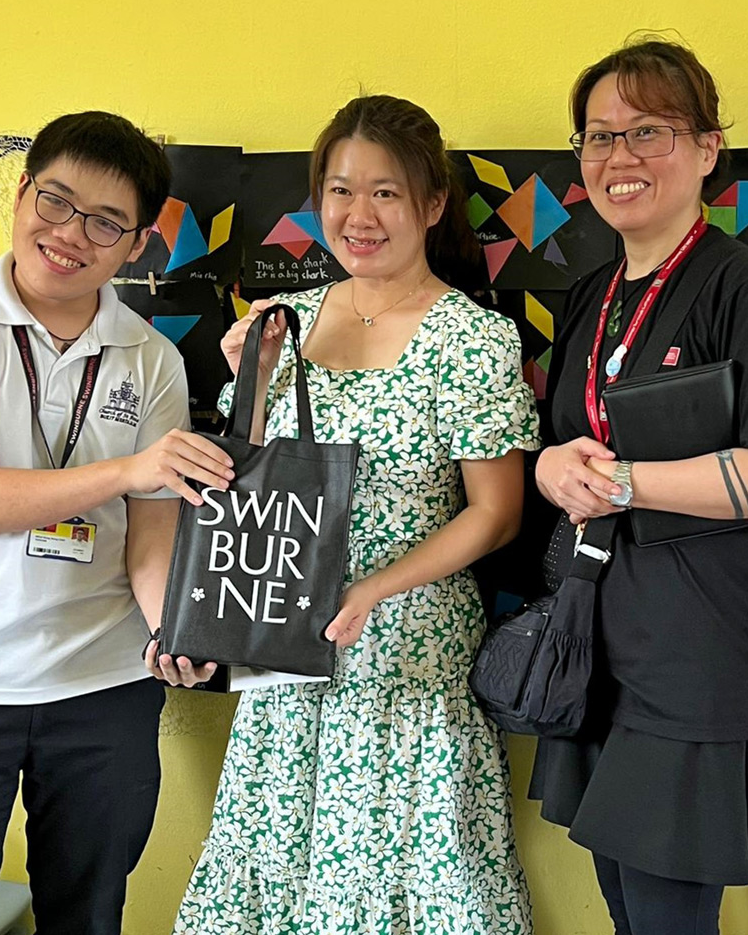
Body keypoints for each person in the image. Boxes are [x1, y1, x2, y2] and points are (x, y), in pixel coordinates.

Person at [168, 95, 539, 934]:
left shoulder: (470, 339)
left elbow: (497, 514)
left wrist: (374, 587)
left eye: (385, 193)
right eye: (339, 191)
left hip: (409, 657)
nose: (357, 215)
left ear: (432, 205)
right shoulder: (283, 324)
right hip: (287, 657)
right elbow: (244, 485)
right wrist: (249, 389)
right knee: (278, 871)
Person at [0, 111, 237, 934]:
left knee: (88, 915)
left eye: (106, 223)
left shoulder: (152, 358)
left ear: (138, 244)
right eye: (58, 201)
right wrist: (133, 467)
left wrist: (171, 628)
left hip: (104, 689)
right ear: (24, 190)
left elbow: (151, 536)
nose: (71, 235)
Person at [529, 37, 748, 935]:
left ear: (706, 148)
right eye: (599, 137)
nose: (619, 157)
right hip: (596, 637)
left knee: (666, 917)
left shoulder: (746, 285)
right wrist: (552, 467)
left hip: (697, 646)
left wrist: (619, 482)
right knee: (623, 898)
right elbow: (557, 446)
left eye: (648, 131)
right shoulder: (590, 294)